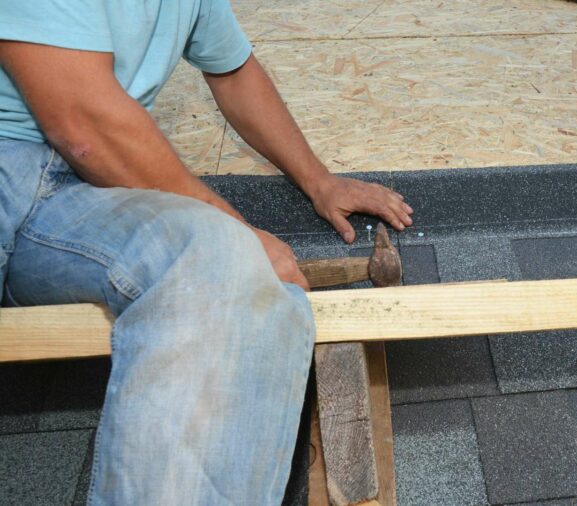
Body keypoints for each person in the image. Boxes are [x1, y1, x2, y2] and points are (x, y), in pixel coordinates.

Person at [0, 1, 413, 503]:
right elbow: (84, 123)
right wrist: (237, 227)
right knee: (228, 246)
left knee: (214, 261)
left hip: (80, 190)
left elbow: (234, 71)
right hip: (21, 162)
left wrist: (318, 181)